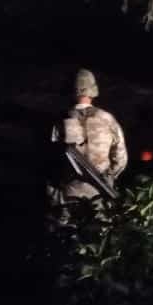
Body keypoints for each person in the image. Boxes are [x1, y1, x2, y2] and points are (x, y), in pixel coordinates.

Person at [48, 69, 128, 214]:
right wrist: (108, 176)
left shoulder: (61, 121)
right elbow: (121, 158)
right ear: (93, 90)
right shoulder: (107, 119)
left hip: (70, 193)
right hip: (100, 194)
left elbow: (52, 159)